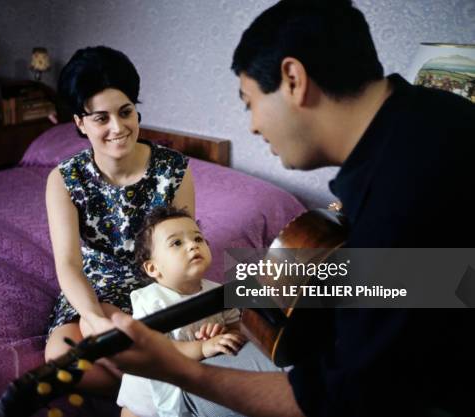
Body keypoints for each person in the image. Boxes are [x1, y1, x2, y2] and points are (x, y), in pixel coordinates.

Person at [107, 0, 475, 416]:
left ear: (293, 79)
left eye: (250, 103)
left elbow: (344, 398)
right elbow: (444, 281)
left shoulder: (402, 196)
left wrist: (177, 370)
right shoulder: (435, 120)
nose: (253, 126)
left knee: (179, 387)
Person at [44, 45, 196, 395]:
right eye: (101, 118)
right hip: (92, 287)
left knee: (140, 345)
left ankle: (151, 380)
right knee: (61, 361)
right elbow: (68, 264)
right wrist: (95, 317)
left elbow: (181, 244)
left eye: (126, 112)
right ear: (80, 123)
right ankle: (158, 379)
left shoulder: (174, 170)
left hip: (156, 282)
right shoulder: (64, 180)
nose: (118, 127)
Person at [116, 206, 247, 417]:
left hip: (193, 392)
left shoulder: (218, 292)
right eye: (177, 243)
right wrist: (203, 347)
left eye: (198, 239)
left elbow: (236, 326)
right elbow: (158, 349)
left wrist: (225, 335)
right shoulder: (150, 301)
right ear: (153, 268)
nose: (193, 246)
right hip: (148, 396)